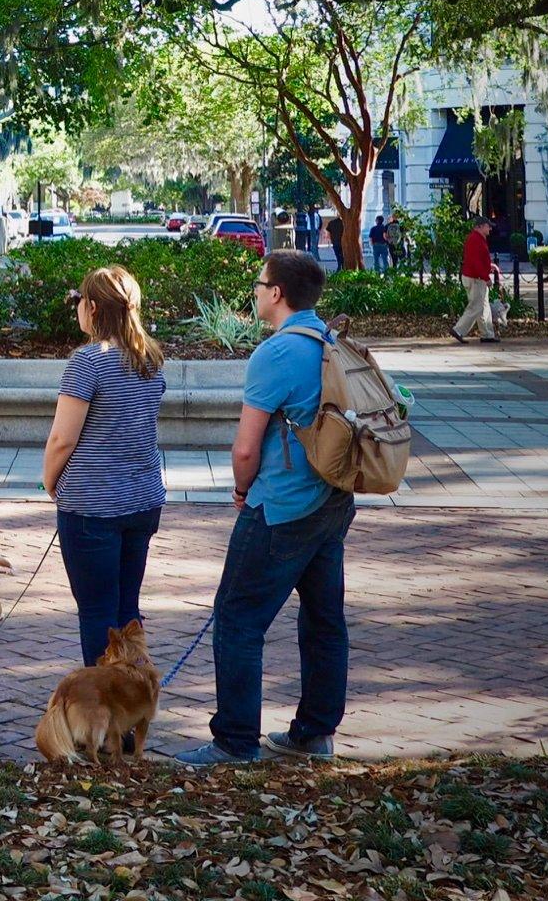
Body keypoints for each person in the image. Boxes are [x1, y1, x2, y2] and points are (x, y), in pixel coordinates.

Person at [176, 249, 354, 767]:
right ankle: (314, 734)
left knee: (236, 618)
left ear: (276, 293)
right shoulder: (330, 340)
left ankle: (234, 741)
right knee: (325, 621)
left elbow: (246, 448)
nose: (255, 291)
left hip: (281, 507)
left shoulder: (275, 354)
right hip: (333, 503)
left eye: (260, 284)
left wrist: (240, 489)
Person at [45, 266, 166, 669]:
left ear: (92, 308)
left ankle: (105, 709)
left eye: (79, 301)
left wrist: (50, 481)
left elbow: (63, 438)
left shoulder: (88, 362)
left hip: (91, 506)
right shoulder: (150, 357)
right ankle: (131, 702)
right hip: (143, 498)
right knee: (127, 608)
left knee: (97, 612)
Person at [449, 214, 501, 344]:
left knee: (483, 306)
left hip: (475, 276)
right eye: (488, 226)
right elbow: (475, 262)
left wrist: (488, 267)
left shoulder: (476, 238)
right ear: (480, 226)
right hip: (475, 278)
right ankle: (458, 330)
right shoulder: (476, 240)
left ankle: (487, 334)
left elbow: (477, 260)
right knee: (476, 307)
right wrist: (486, 277)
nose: (490, 228)